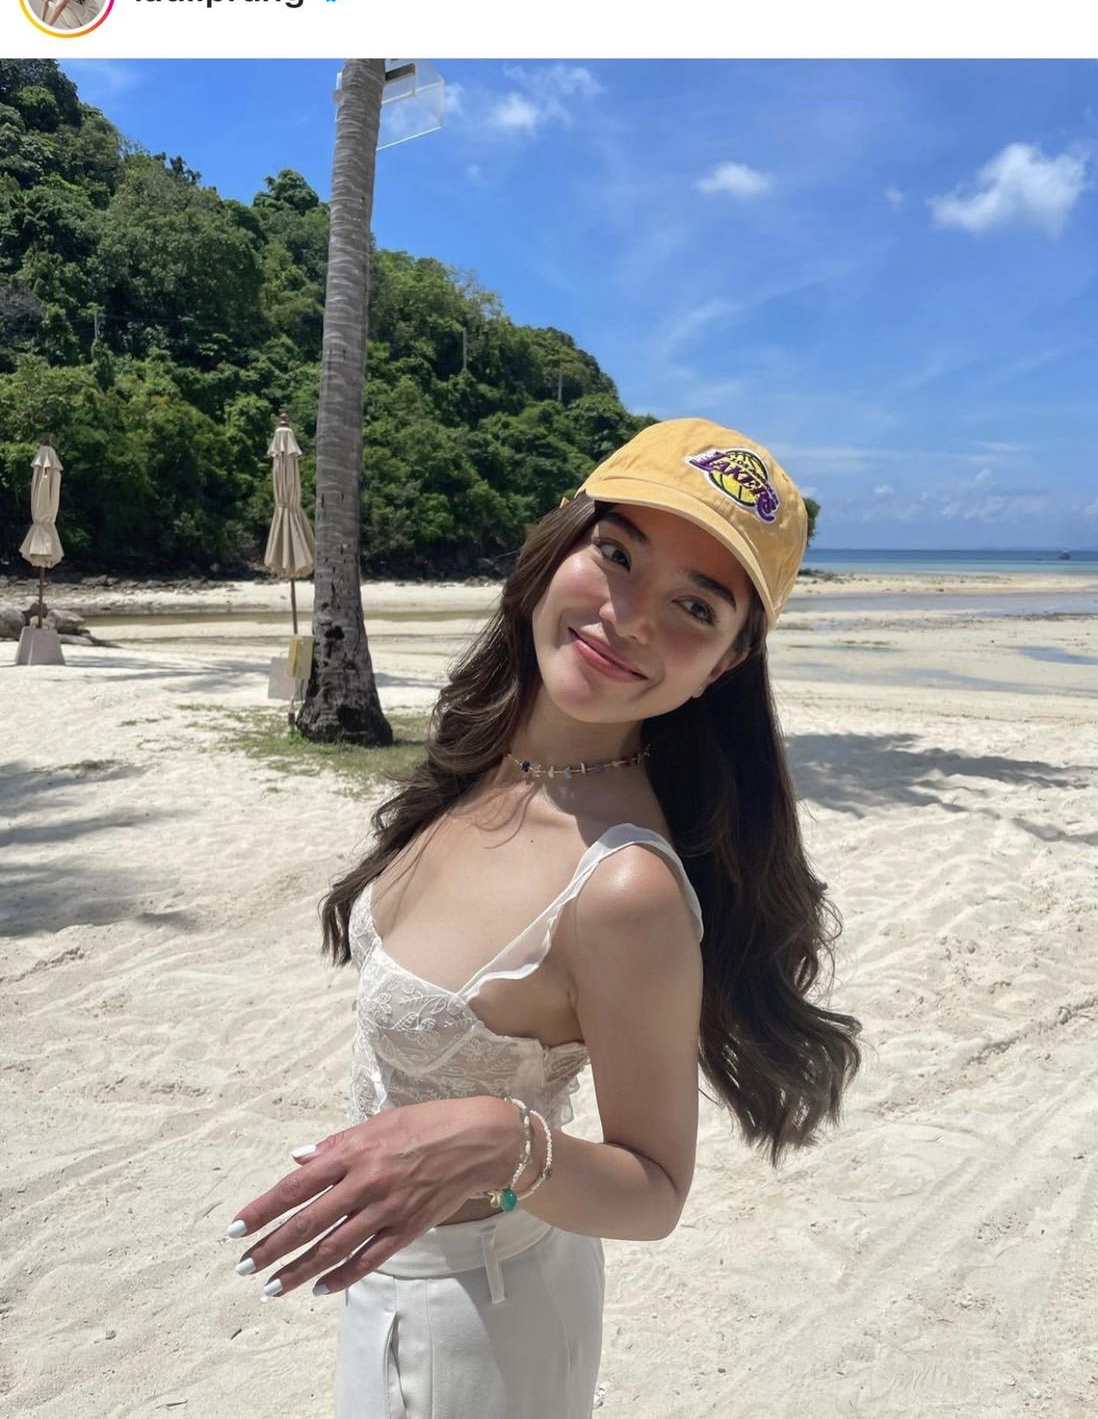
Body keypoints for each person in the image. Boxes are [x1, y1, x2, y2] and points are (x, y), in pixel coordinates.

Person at [224, 417, 864, 1417]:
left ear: (726, 664)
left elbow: (656, 1190)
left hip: (471, 1325)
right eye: (617, 554)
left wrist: (497, 1138)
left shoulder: (624, 889)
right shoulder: (491, 754)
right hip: (422, 1282)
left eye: (695, 606)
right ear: (560, 544)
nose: (628, 617)